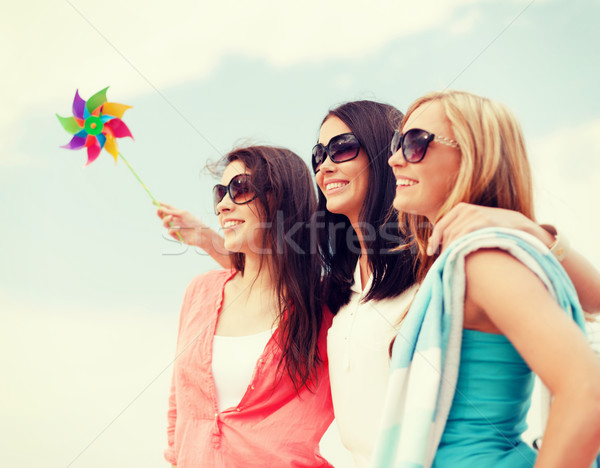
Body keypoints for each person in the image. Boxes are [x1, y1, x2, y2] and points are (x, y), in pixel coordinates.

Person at [158, 101, 600, 467]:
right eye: (319, 155)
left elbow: (589, 320)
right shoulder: (344, 290)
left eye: (343, 148)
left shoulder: (434, 265)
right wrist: (210, 240)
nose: (325, 164)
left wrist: (531, 232)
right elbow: (274, 271)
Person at [376, 90, 600, 467]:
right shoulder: (457, 264)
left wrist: (531, 230)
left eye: (415, 144)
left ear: (473, 155)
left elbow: (588, 390)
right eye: (398, 143)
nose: (394, 158)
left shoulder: (482, 261)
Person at [164, 145, 334, 468]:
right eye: (220, 193)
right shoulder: (200, 292)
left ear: (279, 199)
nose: (223, 205)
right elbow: (178, 411)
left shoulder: (325, 307)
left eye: (239, 189)